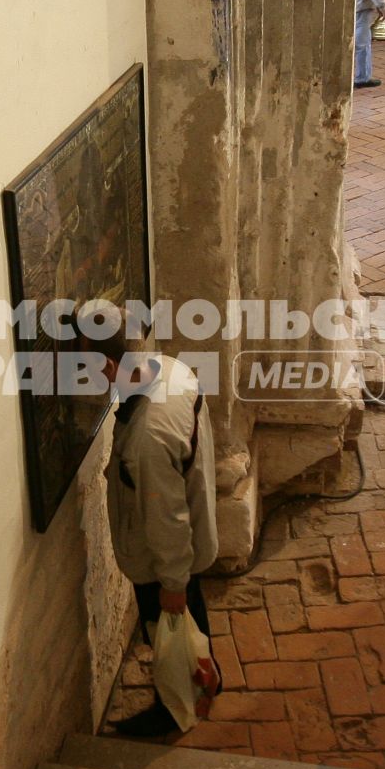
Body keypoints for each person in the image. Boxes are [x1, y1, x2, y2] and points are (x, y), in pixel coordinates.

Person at [77, 301, 220, 737]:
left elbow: (166, 519)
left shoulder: (149, 440)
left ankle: (175, 706)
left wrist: (171, 586)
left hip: (165, 559)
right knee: (190, 620)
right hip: (191, 536)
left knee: (171, 627)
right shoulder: (172, 369)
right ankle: (209, 678)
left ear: (108, 362)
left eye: (88, 361)